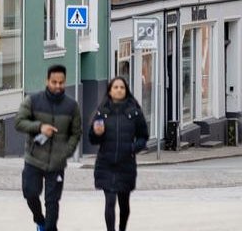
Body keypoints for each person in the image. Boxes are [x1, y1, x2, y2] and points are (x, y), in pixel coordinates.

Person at [16, 64, 82, 231]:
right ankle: (40, 220)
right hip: (34, 159)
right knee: (30, 194)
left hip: (56, 163)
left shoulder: (72, 106)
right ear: (47, 81)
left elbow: (76, 133)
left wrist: (66, 152)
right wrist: (39, 127)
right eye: (54, 82)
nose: (58, 86)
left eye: (61, 83)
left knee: (52, 202)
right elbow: (19, 122)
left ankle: (50, 228)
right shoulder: (33, 100)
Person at [90, 76, 149, 231]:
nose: (119, 90)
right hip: (106, 163)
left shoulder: (134, 113)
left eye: (122, 87)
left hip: (126, 164)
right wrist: (97, 133)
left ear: (126, 90)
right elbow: (92, 139)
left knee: (124, 203)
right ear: (110, 90)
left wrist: (132, 148)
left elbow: (143, 137)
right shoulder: (102, 112)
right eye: (115, 87)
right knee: (109, 201)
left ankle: (122, 228)